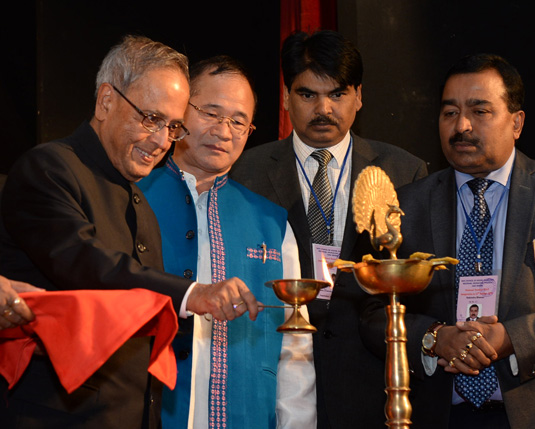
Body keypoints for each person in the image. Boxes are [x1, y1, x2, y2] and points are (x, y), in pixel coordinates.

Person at [0, 35, 259, 428]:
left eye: (173, 127)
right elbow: (88, 267)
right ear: (106, 101)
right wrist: (194, 294)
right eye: (151, 118)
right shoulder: (49, 169)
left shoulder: (137, 201)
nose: (160, 141)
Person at [390, 53, 535, 428]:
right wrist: (433, 338)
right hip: (440, 414)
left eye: (480, 111)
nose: (462, 126)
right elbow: (372, 310)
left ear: (516, 122)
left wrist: (513, 339)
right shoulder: (407, 205)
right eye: (449, 112)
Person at [230, 30, 428, 428]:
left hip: (374, 381)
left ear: (359, 96)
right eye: (307, 95)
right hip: (275, 374)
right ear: (286, 98)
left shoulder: (405, 172)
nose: (323, 108)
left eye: (337, 94)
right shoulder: (246, 172)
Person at [138, 55, 316, 428]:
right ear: (180, 112)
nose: (224, 130)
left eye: (239, 121)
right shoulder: (132, 199)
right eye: (210, 112)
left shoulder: (272, 223)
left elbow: (295, 343)